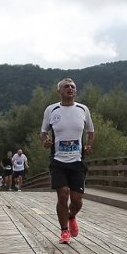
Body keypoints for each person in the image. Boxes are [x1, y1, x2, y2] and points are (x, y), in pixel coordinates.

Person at [40, 77, 95, 244]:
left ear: (75, 91)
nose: (70, 88)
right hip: (58, 159)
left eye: (72, 86)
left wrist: (89, 145)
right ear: (59, 91)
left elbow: (91, 131)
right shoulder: (51, 110)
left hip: (77, 160)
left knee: (77, 200)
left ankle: (72, 217)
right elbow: (43, 132)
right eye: (66, 86)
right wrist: (45, 140)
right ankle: (64, 231)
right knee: (63, 195)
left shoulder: (83, 109)